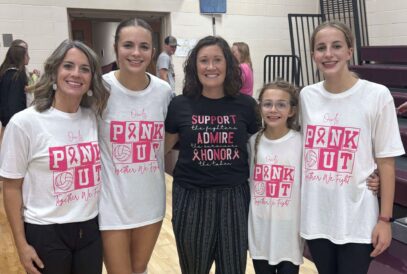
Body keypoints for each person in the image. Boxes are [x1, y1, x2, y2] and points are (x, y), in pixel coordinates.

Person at [300, 21, 405, 274]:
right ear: (313, 55)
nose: (328, 54)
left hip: (358, 219)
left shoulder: (377, 95)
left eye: (336, 46)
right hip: (316, 217)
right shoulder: (306, 96)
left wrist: (384, 219)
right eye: (320, 48)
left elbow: (386, 162)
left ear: (349, 51)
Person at [0, 39, 109, 274]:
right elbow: (10, 187)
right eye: (68, 66)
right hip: (45, 231)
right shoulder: (24, 123)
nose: (76, 74)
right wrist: (21, 245)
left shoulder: (93, 118)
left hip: (90, 229)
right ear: (54, 71)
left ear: (91, 79)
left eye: (85, 69)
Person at [165, 35, 259, 274]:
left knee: (232, 269)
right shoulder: (180, 105)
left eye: (217, 60)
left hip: (235, 198)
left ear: (228, 64)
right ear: (194, 66)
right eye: (204, 60)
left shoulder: (247, 106)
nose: (210, 67)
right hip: (191, 197)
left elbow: (265, 150)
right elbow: (158, 150)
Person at [98, 18, 172, 274]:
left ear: (152, 52)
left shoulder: (164, 92)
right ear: (116, 47)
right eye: (128, 45)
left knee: (139, 269)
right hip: (111, 203)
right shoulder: (100, 88)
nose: (136, 53)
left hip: (150, 202)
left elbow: (166, 139)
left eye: (144, 46)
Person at [248, 81, 303, 274]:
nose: (273, 109)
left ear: (291, 110)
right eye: (267, 104)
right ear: (260, 107)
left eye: (281, 104)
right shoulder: (253, 142)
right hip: (260, 233)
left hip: (289, 235)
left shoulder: (301, 142)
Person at [0, 41, 28, 144]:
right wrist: (17, 121)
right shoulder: (15, 75)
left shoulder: (6, 72)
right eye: (27, 55)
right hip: (13, 119)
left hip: (7, 118)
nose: (28, 58)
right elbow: (14, 101)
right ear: (20, 57)